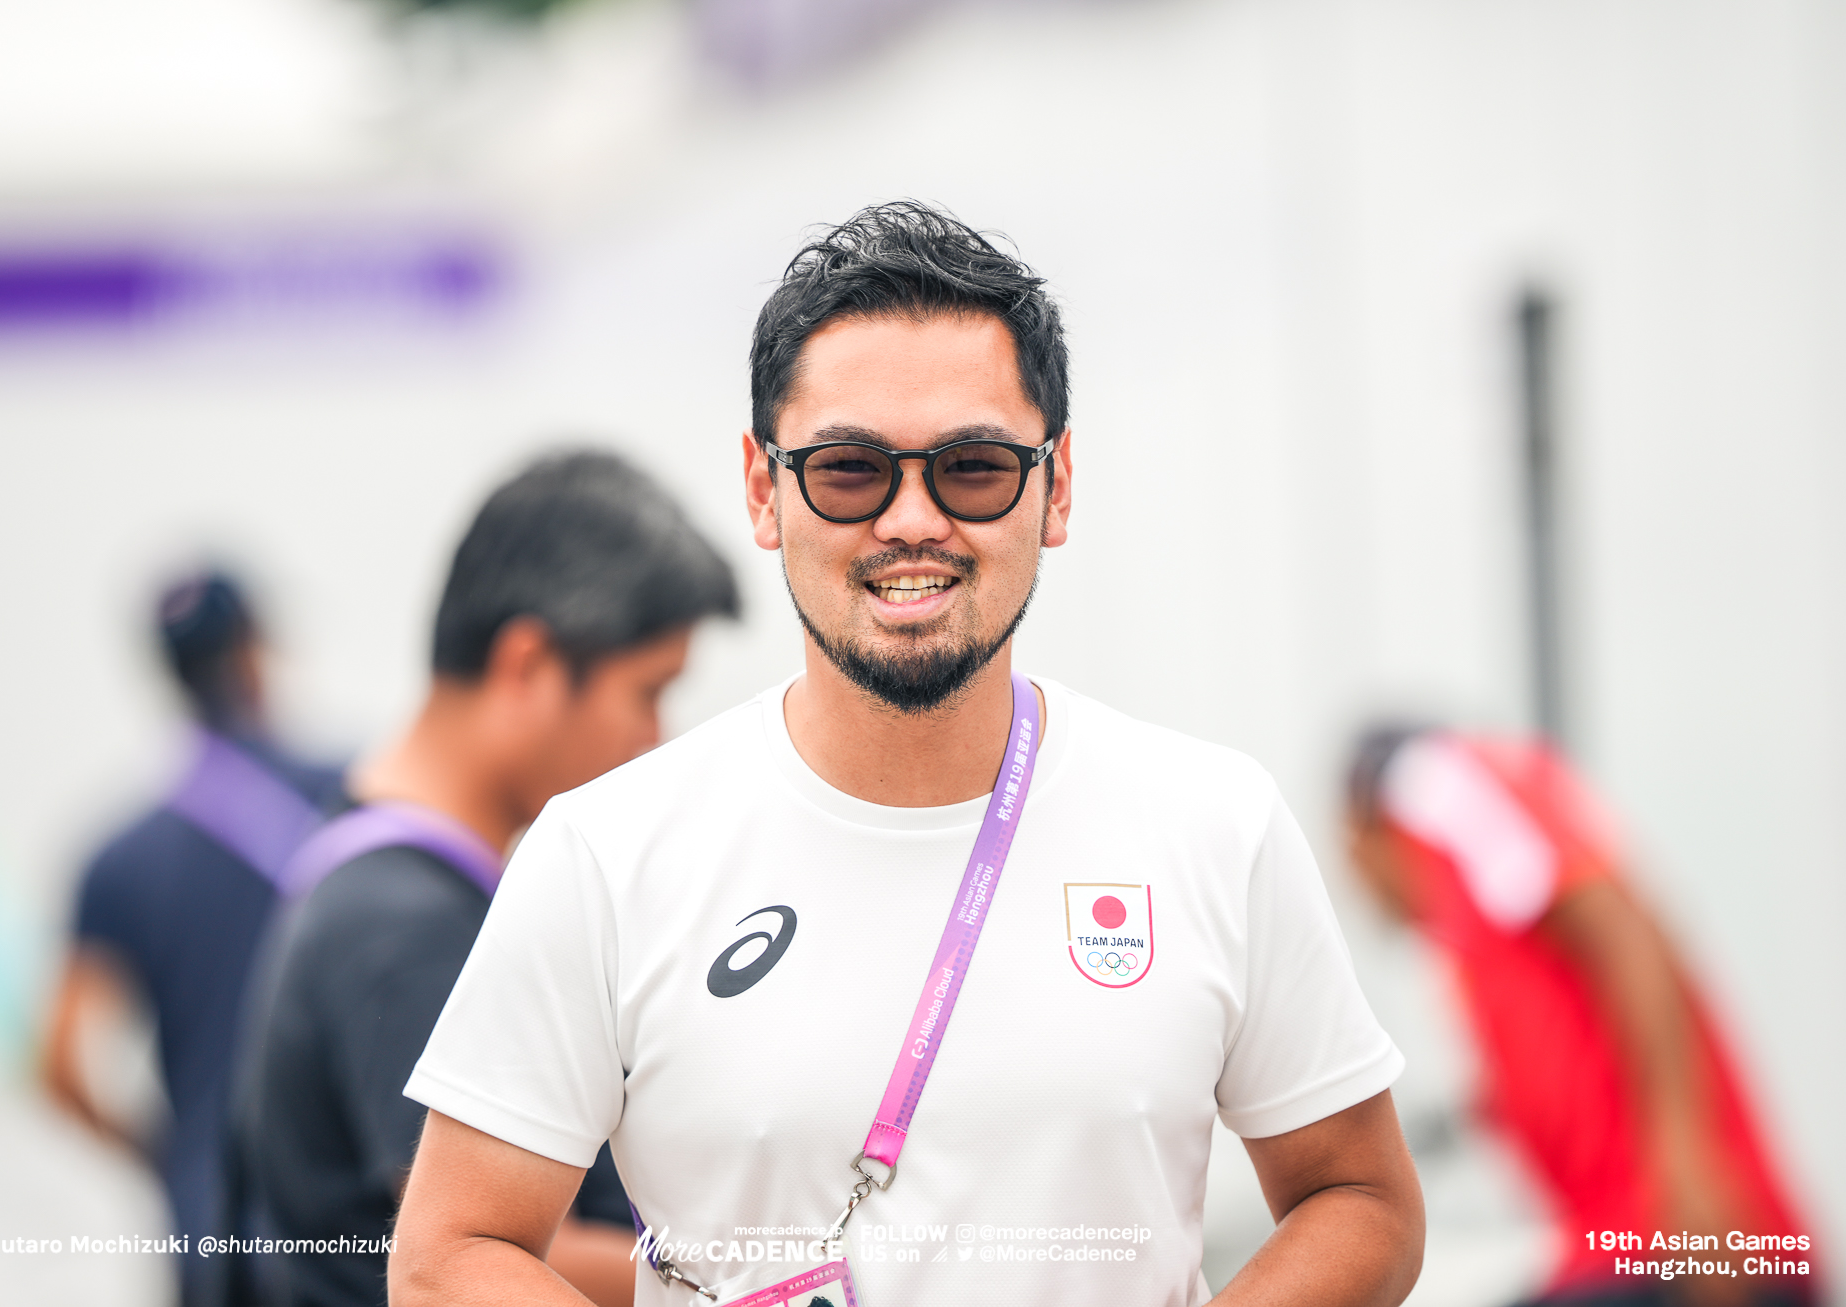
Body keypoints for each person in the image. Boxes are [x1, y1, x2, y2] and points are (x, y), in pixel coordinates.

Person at [389, 202, 1425, 1307]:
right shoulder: (605, 852)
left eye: (974, 466)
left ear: (1056, 484)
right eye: (849, 470)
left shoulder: (1215, 821)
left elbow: (1359, 1199)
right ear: (762, 488)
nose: (912, 519)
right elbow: (450, 1254)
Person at [225, 450, 739, 1307]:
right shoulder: (406, 926)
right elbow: (487, 1242)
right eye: (648, 691)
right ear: (529, 664)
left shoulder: (365, 863)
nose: (657, 736)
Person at [1342, 725, 1818, 1307]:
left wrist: (1688, 1169)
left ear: (1362, 830)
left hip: (1684, 1238)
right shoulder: (1466, 915)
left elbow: (1624, 930)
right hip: (1626, 1244)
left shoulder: (1439, 786)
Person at [44, 570, 345, 1307]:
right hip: (342, 1195)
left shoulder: (117, 854)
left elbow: (61, 1064)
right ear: (255, 650)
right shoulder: (353, 792)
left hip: (207, 1213)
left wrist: (167, 1152)